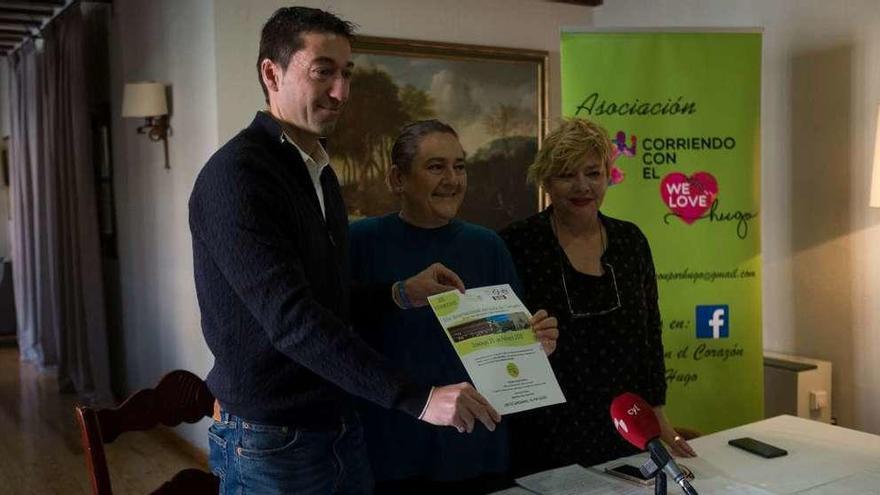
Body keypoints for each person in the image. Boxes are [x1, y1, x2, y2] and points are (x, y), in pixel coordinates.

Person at [188, 8, 499, 494]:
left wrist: (399, 293)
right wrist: (418, 399)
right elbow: (292, 321)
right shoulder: (237, 177)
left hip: (340, 423)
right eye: (323, 71)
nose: (341, 91)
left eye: (346, 73)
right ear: (271, 72)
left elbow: (324, 298)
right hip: (272, 441)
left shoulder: (319, 172)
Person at [349, 120, 559, 494]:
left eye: (459, 166)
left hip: (476, 453)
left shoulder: (488, 246)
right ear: (398, 179)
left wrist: (536, 345)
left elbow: (510, 346)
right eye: (435, 167)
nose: (452, 179)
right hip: (390, 453)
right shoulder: (359, 243)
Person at [499, 118, 697, 474]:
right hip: (546, 432)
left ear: (609, 174)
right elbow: (499, 343)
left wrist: (659, 416)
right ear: (546, 180)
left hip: (627, 425)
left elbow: (650, 336)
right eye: (565, 174)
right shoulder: (517, 244)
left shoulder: (630, 241)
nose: (582, 186)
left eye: (593, 173)